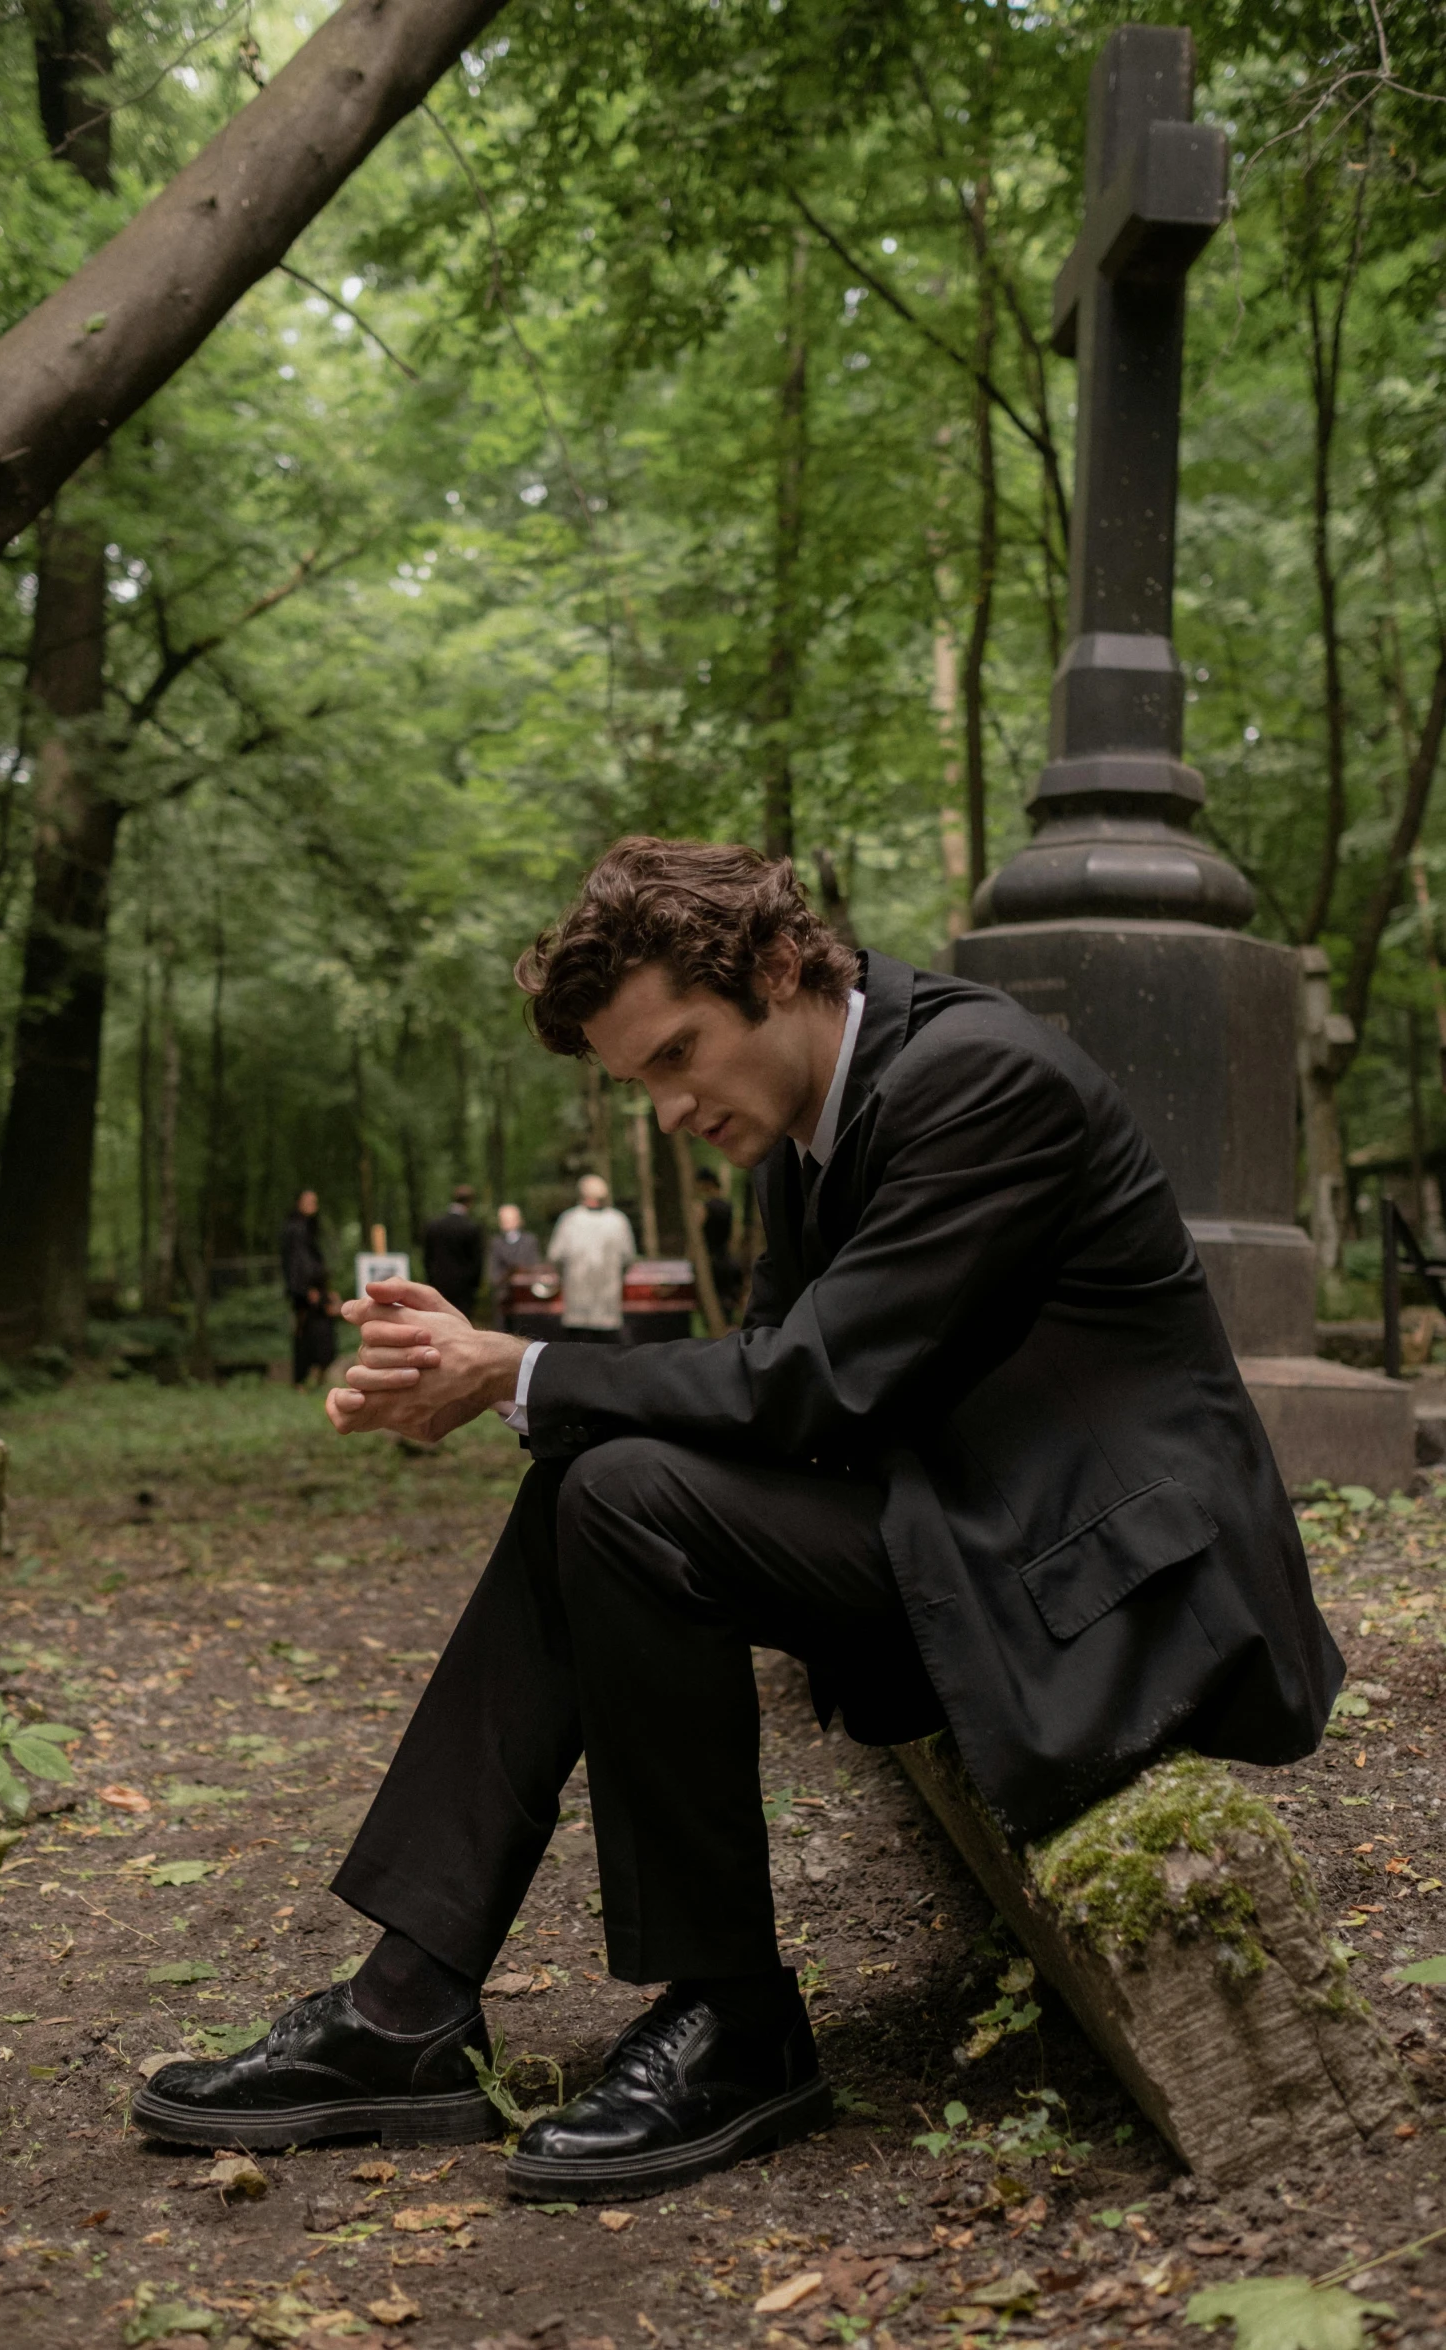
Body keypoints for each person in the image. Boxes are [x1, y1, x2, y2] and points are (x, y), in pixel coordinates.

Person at [135, 836, 1341, 2208]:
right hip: (968, 1534)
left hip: (1115, 1590)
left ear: (777, 966)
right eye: (636, 1077)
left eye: (674, 1054)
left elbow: (810, 1380)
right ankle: (411, 1999)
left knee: (626, 1492)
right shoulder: (804, 1134)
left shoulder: (975, 1077)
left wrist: (516, 1369)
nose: (664, 1105)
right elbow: (772, 1397)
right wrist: (484, 1377)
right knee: (600, 1484)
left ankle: (727, 2016)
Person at [546, 1174, 636, 1344]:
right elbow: (628, 1258)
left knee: (578, 1356)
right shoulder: (618, 1221)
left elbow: (555, 1256)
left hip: (577, 1307)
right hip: (608, 1307)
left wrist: (565, 1278)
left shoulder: (569, 1220)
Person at [279, 1189, 335, 1390]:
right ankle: (300, 1382)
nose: (313, 1205)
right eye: (309, 1201)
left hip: (316, 1293)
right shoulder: (295, 1229)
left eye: (315, 1201)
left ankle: (313, 1379)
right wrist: (305, 1290)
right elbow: (296, 1264)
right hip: (305, 1295)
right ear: (299, 1203)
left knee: (322, 1337)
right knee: (306, 1338)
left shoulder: (308, 1228)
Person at [421, 1185, 484, 1320]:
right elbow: (477, 1261)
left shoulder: (433, 1225)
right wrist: (475, 1286)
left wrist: (430, 1278)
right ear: (470, 1202)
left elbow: (427, 1257)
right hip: (464, 1288)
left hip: (438, 1284)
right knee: (462, 1322)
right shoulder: (471, 1227)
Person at [694, 1163, 742, 1319]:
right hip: (726, 1257)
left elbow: (698, 1232)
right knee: (727, 1299)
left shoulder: (705, 1207)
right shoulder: (728, 1206)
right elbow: (734, 1234)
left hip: (711, 1259)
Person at [488, 1203, 542, 1330]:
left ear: (519, 1220)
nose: (507, 1223)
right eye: (504, 1220)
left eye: (511, 1219)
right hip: (504, 1296)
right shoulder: (495, 1243)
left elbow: (535, 1266)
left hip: (526, 1296)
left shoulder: (530, 1241)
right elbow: (493, 1272)